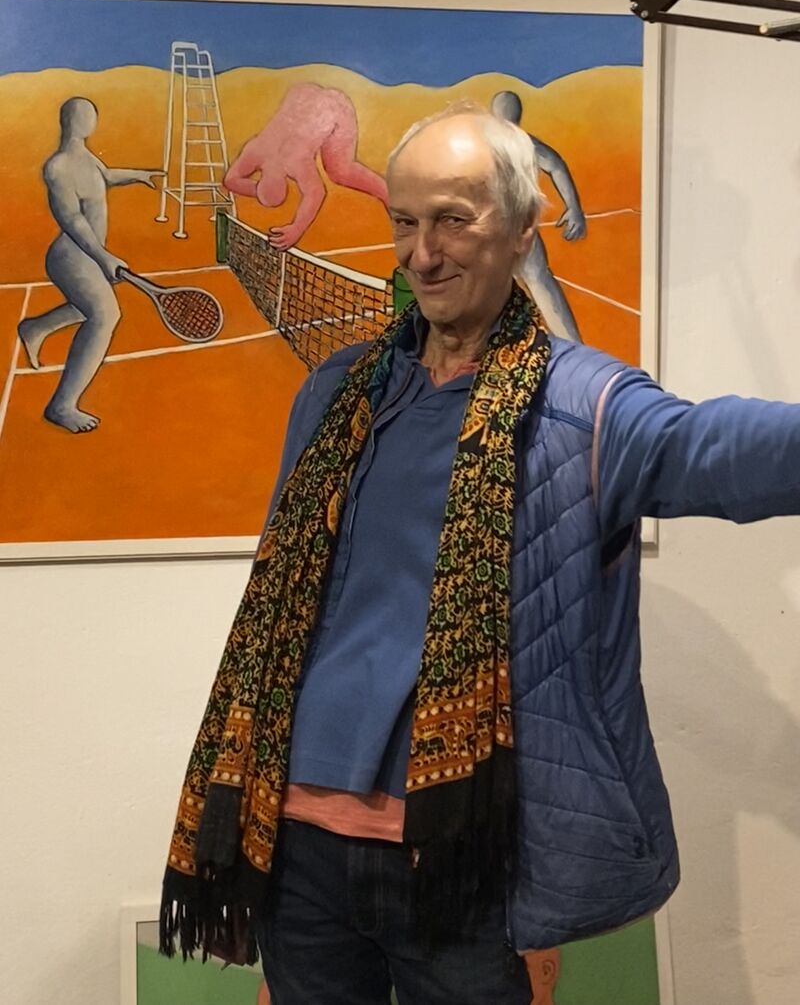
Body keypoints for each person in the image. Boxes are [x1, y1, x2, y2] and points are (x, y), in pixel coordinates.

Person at [160, 102, 800, 1004]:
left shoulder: (586, 406)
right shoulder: (337, 394)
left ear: (522, 227)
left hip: (461, 857)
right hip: (299, 842)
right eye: (404, 221)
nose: (422, 254)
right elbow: (285, 610)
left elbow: (716, 448)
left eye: (454, 220)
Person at [18, 96, 160, 433]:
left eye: (91, 115)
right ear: (70, 120)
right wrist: (103, 257)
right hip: (71, 258)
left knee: (87, 307)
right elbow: (72, 219)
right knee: (105, 316)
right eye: (85, 115)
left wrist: (138, 175)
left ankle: (34, 328)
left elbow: (106, 176)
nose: (90, 120)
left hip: (89, 255)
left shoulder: (86, 158)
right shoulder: (58, 167)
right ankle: (62, 406)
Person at [223, 83, 389, 250]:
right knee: (309, 143)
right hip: (301, 92)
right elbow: (229, 180)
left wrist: (297, 229)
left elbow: (317, 193)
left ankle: (388, 195)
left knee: (340, 172)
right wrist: (255, 190)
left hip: (337, 108)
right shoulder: (255, 149)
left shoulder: (294, 162)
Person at [491, 89, 585, 341]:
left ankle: (570, 345)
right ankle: (572, 345)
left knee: (531, 281)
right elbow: (557, 166)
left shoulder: (488, 145)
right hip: (512, 226)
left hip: (503, 227)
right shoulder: (525, 143)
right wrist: (574, 208)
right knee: (536, 282)